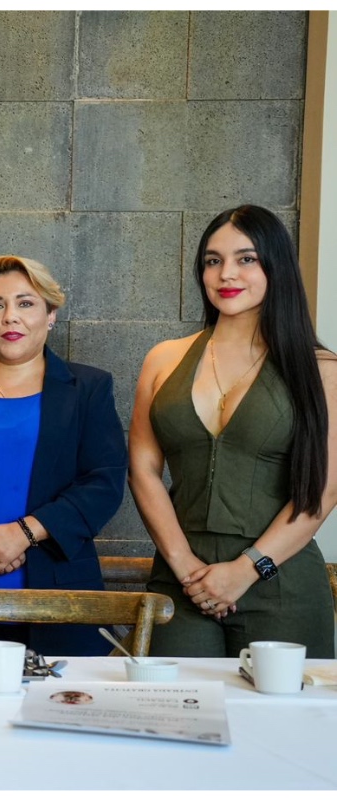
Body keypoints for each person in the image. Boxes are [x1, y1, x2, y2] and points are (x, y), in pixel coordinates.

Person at [130, 205, 336, 658]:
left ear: (275, 266)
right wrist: (185, 567)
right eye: (213, 260)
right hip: (182, 581)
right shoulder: (163, 358)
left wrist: (247, 568)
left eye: (247, 259)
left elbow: (322, 492)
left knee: (283, 726)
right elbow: (143, 469)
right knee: (174, 720)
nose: (227, 273)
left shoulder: (322, 371)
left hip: (281, 580)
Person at [0, 255, 127, 656]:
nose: (11, 317)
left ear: (51, 314)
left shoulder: (88, 388)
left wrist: (22, 533)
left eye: (26, 303)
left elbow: (104, 481)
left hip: (61, 588)